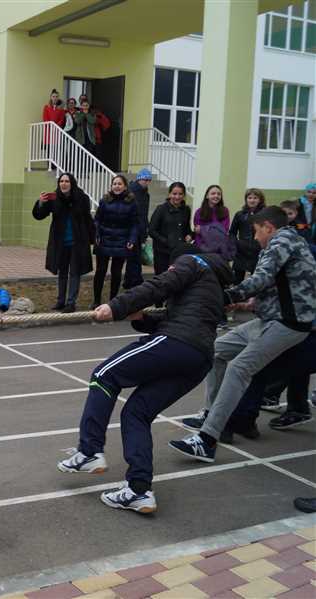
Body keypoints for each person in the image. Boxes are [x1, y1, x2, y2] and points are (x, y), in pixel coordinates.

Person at [57, 246, 233, 514]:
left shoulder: (192, 262)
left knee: (104, 376)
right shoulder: (214, 286)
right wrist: (143, 318)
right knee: (136, 413)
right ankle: (139, 490)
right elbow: (183, 318)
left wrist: (116, 306)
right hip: (199, 359)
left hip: (178, 343)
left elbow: (160, 285)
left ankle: (90, 450)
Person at [169, 206, 316, 462]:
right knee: (215, 351)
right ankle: (211, 413)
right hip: (271, 317)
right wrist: (248, 304)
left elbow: (261, 278)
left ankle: (207, 439)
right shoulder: (292, 242)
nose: (256, 238)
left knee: (239, 368)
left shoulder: (282, 240)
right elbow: (280, 286)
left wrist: (226, 296)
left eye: (257, 232)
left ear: (269, 228)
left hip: (289, 325)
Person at [32, 173, 94, 313]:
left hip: (77, 242)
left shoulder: (82, 198)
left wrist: (92, 238)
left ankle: (71, 302)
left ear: (72, 183)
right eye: (61, 181)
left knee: (75, 272)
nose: (64, 183)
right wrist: (41, 202)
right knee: (62, 272)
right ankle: (61, 301)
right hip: (60, 242)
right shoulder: (54, 198)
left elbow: (87, 219)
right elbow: (39, 215)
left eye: (67, 181)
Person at [92, 174, 138, 308]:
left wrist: (132, 239)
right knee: (100, 270)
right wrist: (97, 234)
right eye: (114, 184)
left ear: (125, 186)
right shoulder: (105, 200)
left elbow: (135, 224)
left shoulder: (132, 202)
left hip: (122, 240)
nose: (117, 186)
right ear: (111, 186)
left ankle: (113, 301)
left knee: (116, 272)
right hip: (104, 239)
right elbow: (97, 219)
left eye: (119, 184)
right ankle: (96, 300)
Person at [148, 182, 192, 275]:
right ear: (169, 194)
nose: (177, 197)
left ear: (184, 195)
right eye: (174, 194)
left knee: (177, 279)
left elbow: (187, 229)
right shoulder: (161, 209)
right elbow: (151, 230)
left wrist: (190, 235)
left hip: (179, 252)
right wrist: (166, 241)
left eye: (180, 194)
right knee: (162, 279)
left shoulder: (186, 210)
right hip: (162, 252)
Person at [229, 188, 265, 284]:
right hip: (241, 250)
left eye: (255, 198)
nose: (252, 200)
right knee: (237, 279)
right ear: (246, 199)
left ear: (260, 200)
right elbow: (232, 232)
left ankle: (253, 298)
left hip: (257, 250)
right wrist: (235, 243)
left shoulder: (264, 214)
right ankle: (237, 296)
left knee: (256, 278)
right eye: (249, 198)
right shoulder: (239, 214)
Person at [124, 169, 152, 290]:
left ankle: (131, 280)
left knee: (135, 256)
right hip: (132, 229)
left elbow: (144, 214)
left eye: (149, 180)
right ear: (139, 179)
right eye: (145, 179)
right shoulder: (133, 192)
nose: (147, 182)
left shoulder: (145, 193)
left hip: (140, 228)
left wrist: (145, 230)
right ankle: (134, 280)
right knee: (133, 257)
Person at [193, 185, 233, 259]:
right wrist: (213, 228)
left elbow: (222, 231)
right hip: (202, 249)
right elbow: (197, 233)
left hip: (219, 251)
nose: (216, 196)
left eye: (219, 194)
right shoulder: (199, 212)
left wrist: (203, 229)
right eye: (213, 193)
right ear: (207, 196)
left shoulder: (225, 211)